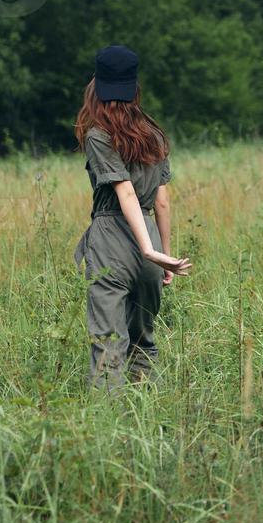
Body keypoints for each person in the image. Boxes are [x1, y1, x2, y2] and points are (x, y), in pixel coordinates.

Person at [73, 45, 192, 393]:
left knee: (108, 345)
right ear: (133, 87)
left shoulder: (99, 135)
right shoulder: (153, 135)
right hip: (152, 241)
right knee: (144, 342)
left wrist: (149, 251)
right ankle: (148, 418)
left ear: (96, 85)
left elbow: (124, 192)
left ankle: (108, 431)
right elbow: (163, 201)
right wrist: (162, 255)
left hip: (114, 238)